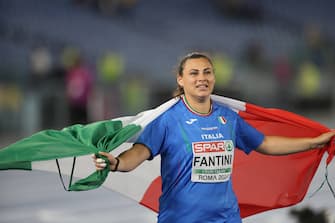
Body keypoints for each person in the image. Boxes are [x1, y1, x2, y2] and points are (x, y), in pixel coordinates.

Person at [92, 52, 335, 223]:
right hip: (180, 218)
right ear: (181, 79)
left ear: (214, 78)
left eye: (207, 72)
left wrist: (313, 142)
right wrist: (115, 163)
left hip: (226, 217)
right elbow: (137, 155)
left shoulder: (227, 117)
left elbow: (266, 143)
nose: (202, 78)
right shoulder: (167, 120)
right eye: (194, 73)